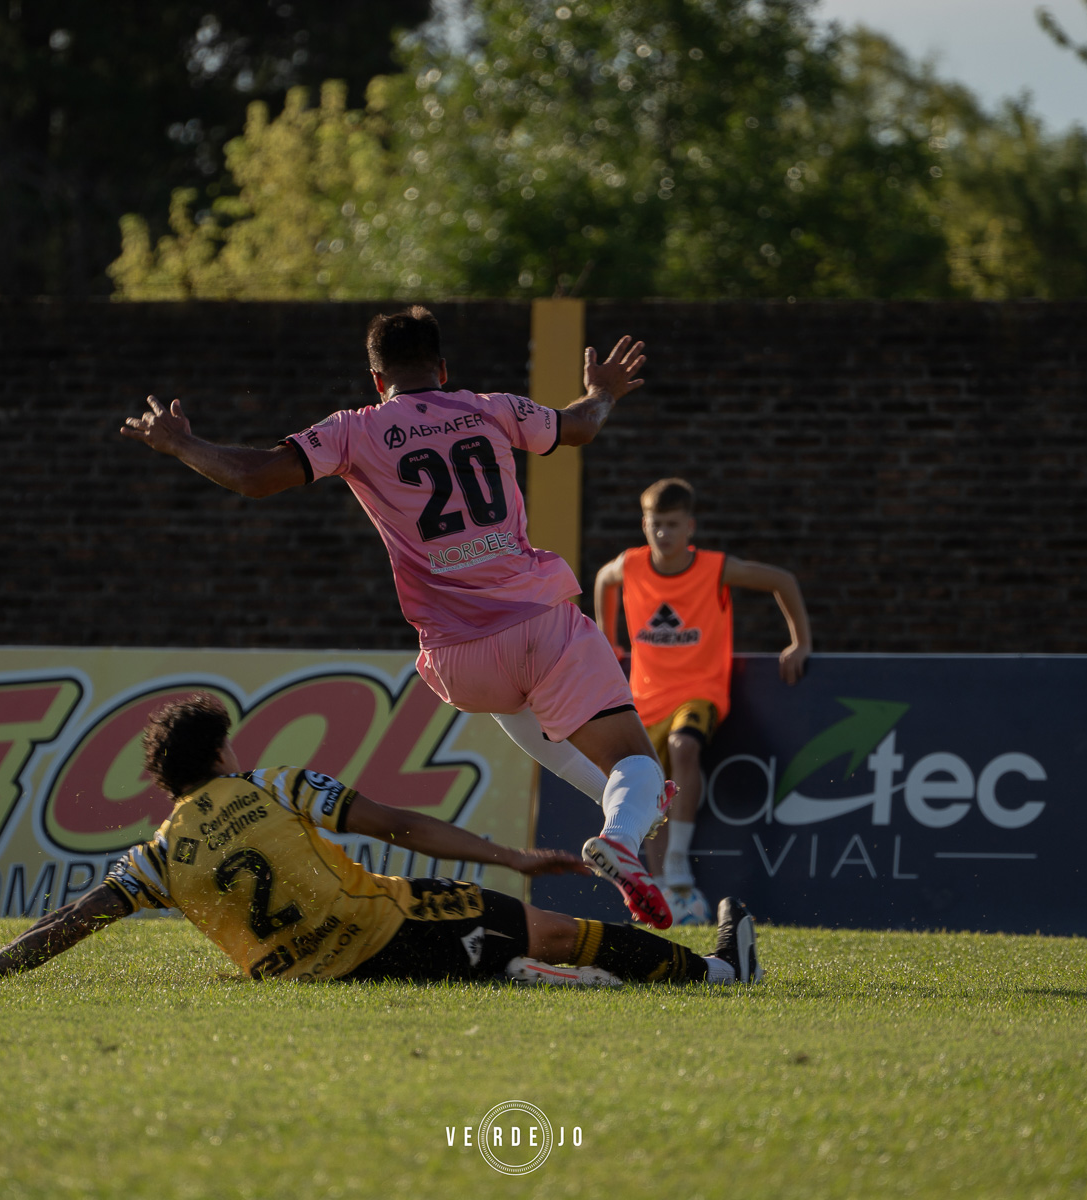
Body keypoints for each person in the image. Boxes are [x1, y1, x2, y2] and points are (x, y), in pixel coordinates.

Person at [120, 306, 676, 928]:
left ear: (376, 379)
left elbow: (255, 477)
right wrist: (601, 391)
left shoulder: (354, 429)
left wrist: (180, 443)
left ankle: (627, 816)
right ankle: (625, 829)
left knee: (533, 715)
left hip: (458, 662)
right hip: (539, 624)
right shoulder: (490, 407)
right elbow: (579, 427)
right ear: (442, 368)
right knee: (636, 761)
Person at [0, 695, 761, 987]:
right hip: (385, 931)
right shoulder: (273, 785)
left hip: (311, 975)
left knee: (499, 948)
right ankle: (722, 971)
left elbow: (70, 921)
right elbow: (399, 826)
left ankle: (513, 975)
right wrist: (509, 856)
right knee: (545, 927)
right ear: (219, 753)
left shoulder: (155, 859)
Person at [592, 478, 812, 925]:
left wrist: (800, 643)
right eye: (656, 524)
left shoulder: (713, 568)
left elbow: (782, 580)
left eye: (673, 525)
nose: (663, 535)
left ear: (690, 527)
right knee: (650, 789)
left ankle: (677, 860)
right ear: (644, 524)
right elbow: (602, 580)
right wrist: (607, 639)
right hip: (645, 699)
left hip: (699, 693)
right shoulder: (631, 566)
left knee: (683, 747)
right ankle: (667, 890)